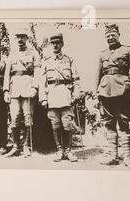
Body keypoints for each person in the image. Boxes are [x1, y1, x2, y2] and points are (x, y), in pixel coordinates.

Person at [94, 24, 130, 169]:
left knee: (124, 122)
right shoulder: (102, 54)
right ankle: (113, 156)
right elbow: (97, 75)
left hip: (122, 90)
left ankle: (126, 156)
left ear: (118, 35)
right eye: (107, 36)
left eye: (112, 35)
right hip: (105, 91)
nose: (110, 38)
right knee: (108, 122)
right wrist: (96, 94)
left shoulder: (128, 50)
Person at [39, 33, 82, 162]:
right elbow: (42, 82)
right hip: (52, 95)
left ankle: (68, 151)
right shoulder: (46, 61)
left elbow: (76, 79)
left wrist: (76, 94)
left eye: (58, 43)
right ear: (50, 45)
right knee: (55, 124)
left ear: (62, 44)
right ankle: (59, 150)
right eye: (53, 43)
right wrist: (43, 98)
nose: (55, 45)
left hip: (66, 95)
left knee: (67, 123)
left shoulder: (69, 60)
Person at [3, 27, 41, 157]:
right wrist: (6, 91)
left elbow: (37, 72)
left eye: (22, 36)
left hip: (27, 88)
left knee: (27, 118)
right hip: (14, 90)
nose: (20, 39)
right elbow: (7, 73)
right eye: (18, 37)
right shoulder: (12, 54)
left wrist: (35, 87)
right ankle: (15, 146)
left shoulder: (33, 53)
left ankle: (26, 146)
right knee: (14, 118)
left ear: (27, 38)